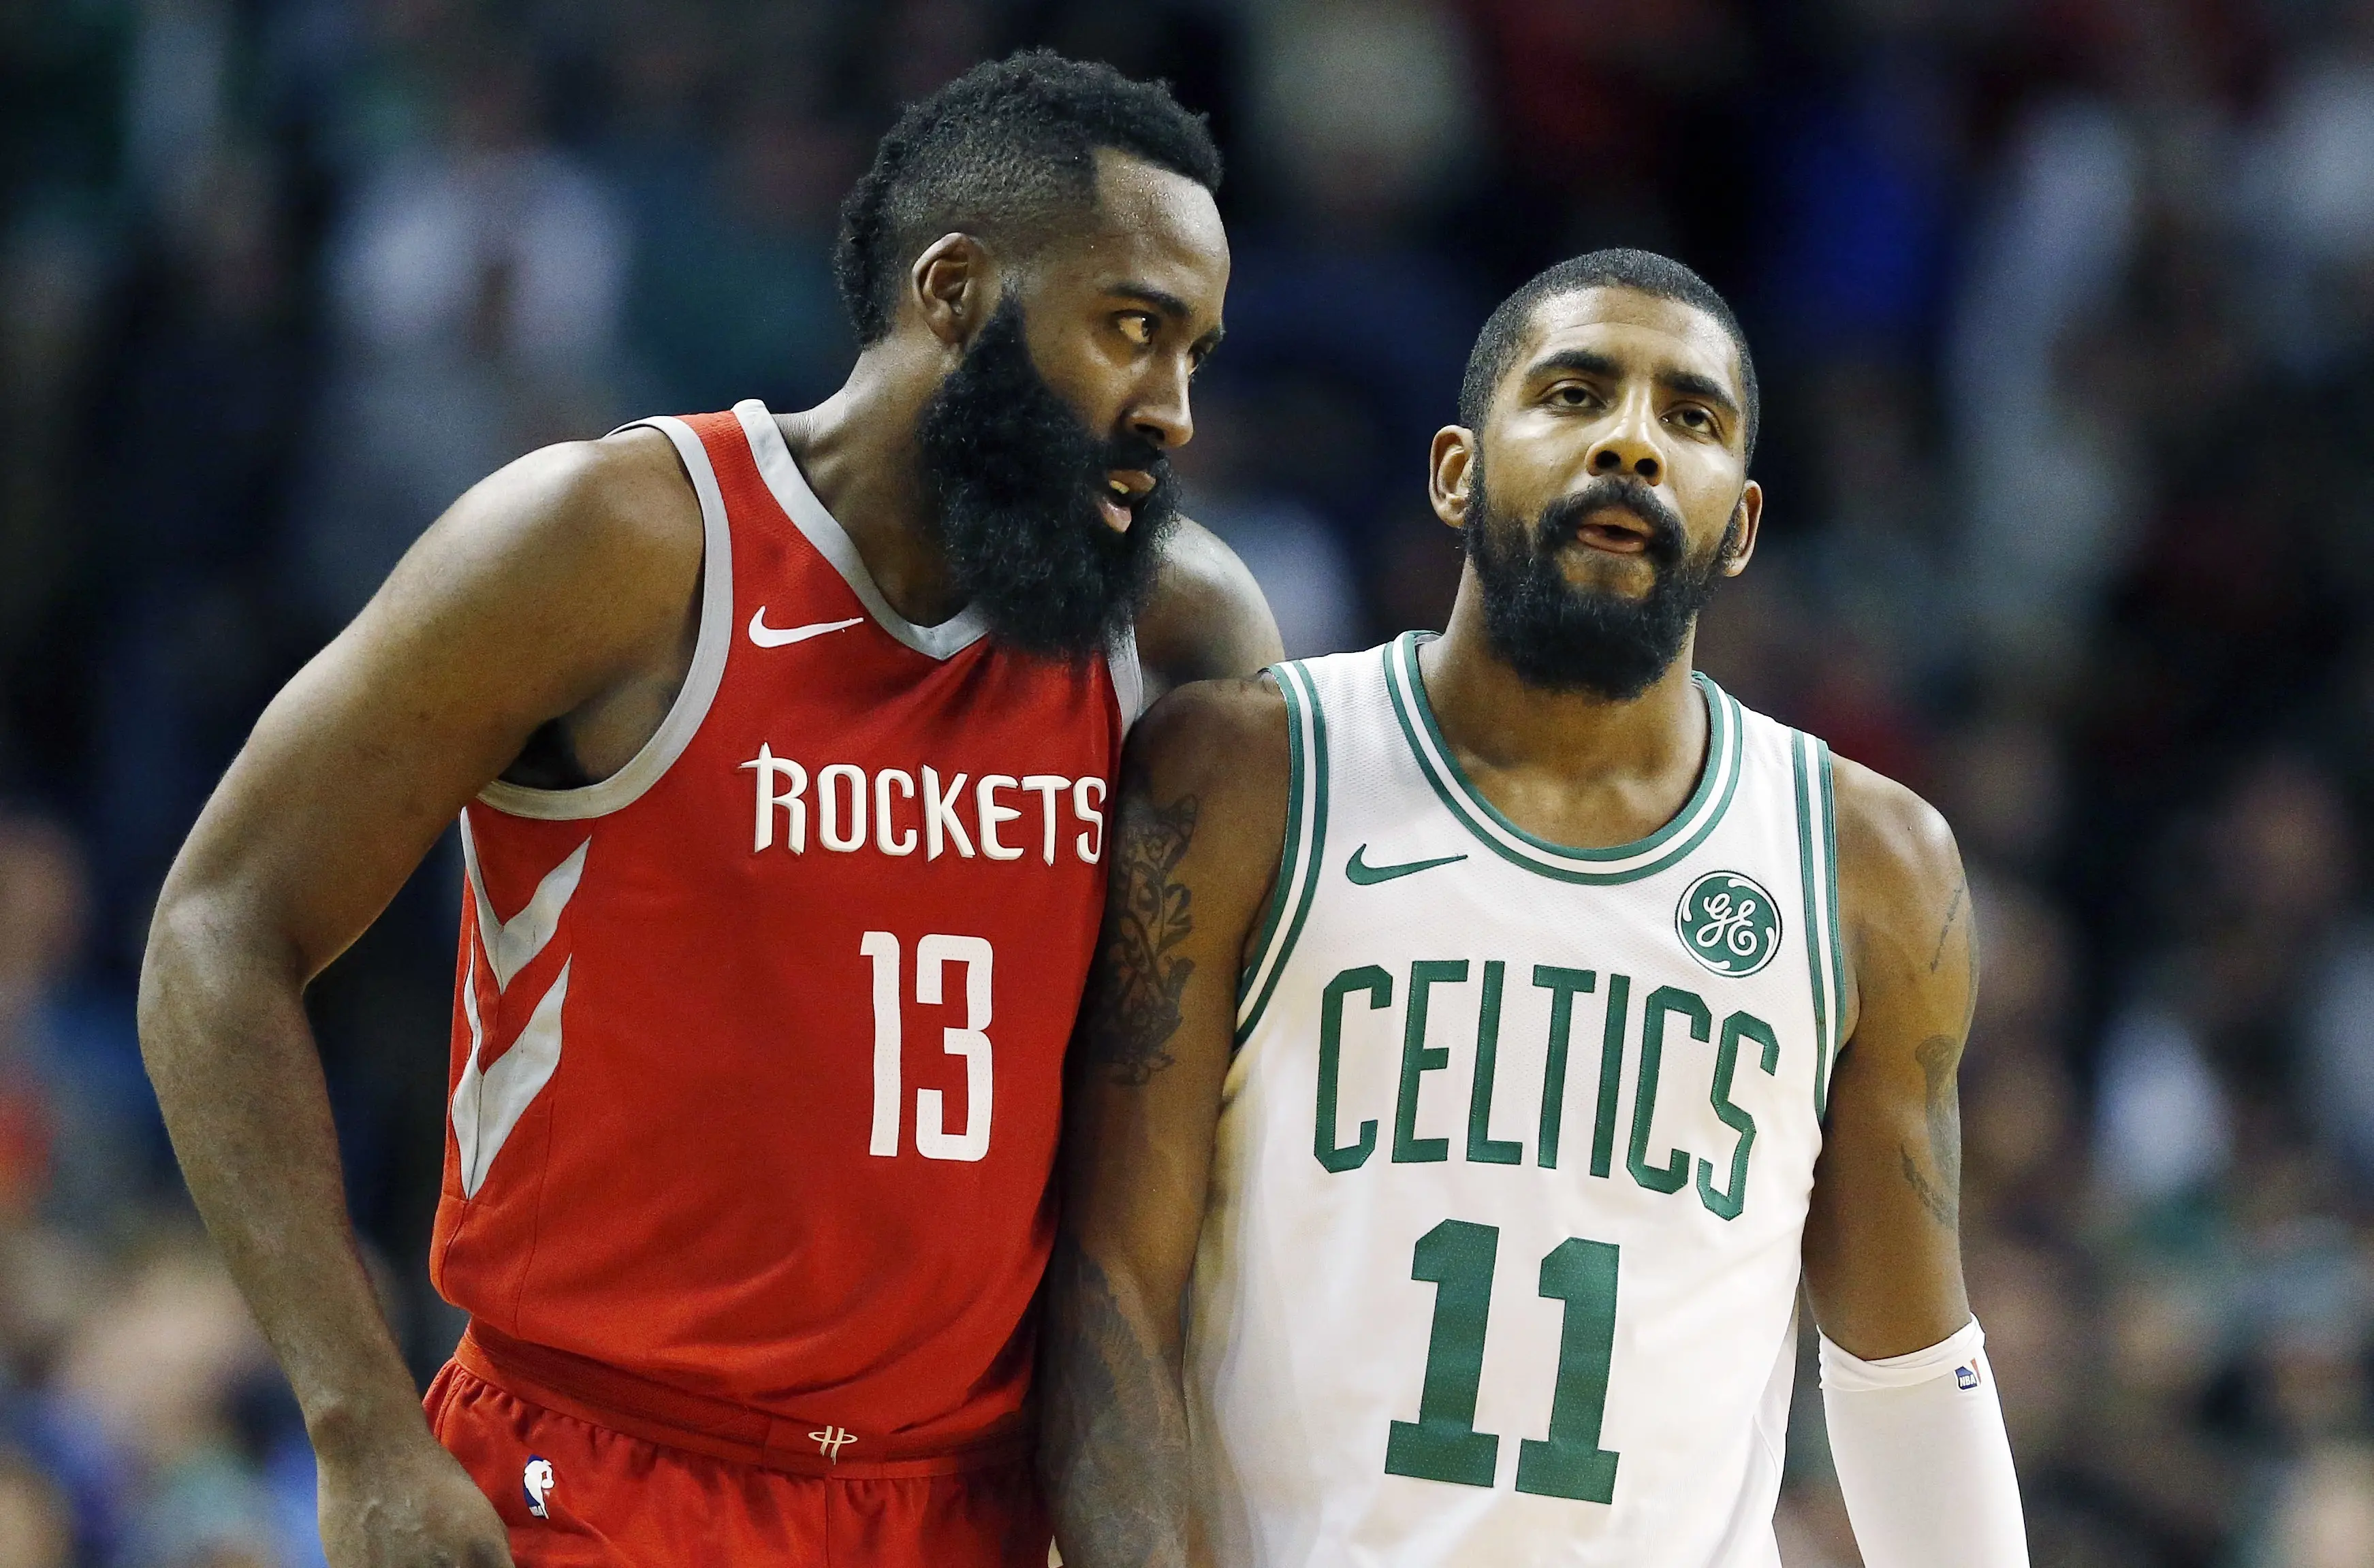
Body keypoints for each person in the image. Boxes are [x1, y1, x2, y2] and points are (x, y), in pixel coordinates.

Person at [139, 52, 1279, 1568]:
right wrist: (357, 1428)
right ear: (954, 292)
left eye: (1196, 351)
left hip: (966, 1505)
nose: (1176, 410)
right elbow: (222, 926)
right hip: (594, 1476)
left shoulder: (1180, 636)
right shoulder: (611, 545)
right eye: (1135, 330)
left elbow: (1187, 1147)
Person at [1039, 250, 2028, 1568]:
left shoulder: (1868, 863)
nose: (1630, 442)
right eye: (1574, 393)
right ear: (1454, 469)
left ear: (1737, 523)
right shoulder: (1245, 775)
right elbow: (1111, 1290)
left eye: (1691, 418)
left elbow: (1904, 1373)